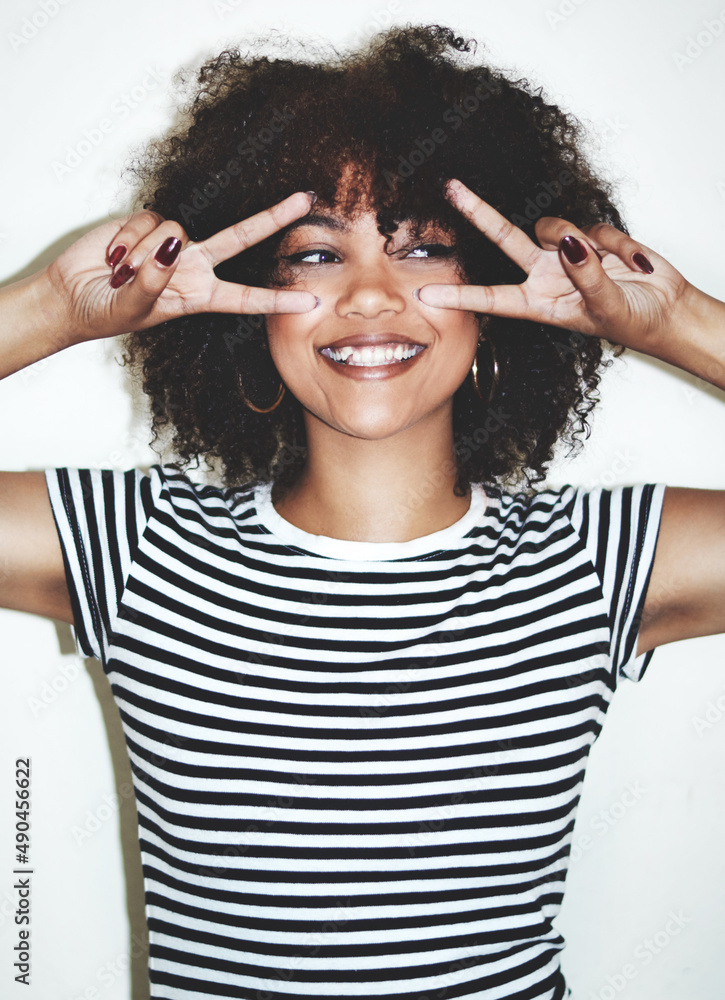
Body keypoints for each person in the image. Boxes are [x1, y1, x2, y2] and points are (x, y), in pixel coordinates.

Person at [1, 23, 723, 1000]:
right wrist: (53, 306)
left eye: (423, 247)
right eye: (312, 256)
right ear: (246, 299)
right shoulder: (129, 547)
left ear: (499, 298)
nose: (372, 296)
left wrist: (676, 323)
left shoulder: (600, 562)